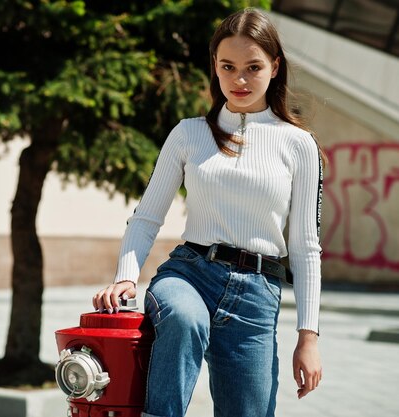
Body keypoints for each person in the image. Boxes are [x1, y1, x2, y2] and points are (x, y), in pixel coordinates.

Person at [92, 8, 324, 417]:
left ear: (275, 67)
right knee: (182, 318)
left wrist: (308, 336)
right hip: (190, 273)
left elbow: (305, 247)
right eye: (227, 66)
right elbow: (146, 216)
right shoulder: (188, 133)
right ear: (214, 68)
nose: (239, 80)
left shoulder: (298, 144)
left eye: (253, 67)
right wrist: (125, 277)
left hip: (257, 294)